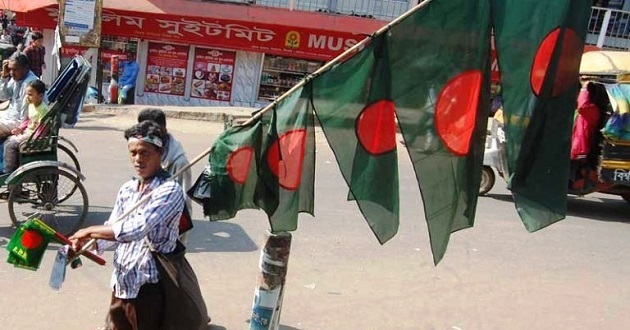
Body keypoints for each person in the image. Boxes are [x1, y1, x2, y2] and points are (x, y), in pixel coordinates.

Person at [69, 120, 185, 330]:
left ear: (160, 153)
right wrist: (88, 244)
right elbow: (113, 229)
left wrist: (88, 230)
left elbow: (135, 230)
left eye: (145, 153)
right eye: (133, 153)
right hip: (122, 283)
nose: (138, 159)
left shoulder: (170, 190)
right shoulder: (128, 189)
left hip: (149, 287)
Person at [138, 108, 193, 240]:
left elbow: (184, 207)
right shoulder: (143, 154)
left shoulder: (179, 163)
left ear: (164, 131)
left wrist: (177, 243)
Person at [2, 79, 48, 174]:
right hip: (28, 132)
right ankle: (13, 167)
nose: (27, 97)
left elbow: (42, 127)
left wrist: (34, 140)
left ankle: (8, 171)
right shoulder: (31, 104)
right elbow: (28, 119)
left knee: (10, 145)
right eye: (27, 94)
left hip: (33, 135)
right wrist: (20, 129)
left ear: (40, 96)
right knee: (7, 141)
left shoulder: (43, 109)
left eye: (30, 95)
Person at [0, 54, 39, 138]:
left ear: (26, 68)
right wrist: (4, 77)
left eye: (15, 70)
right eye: (10, 69)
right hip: (10, 116)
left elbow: (24, 117)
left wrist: (19, 129)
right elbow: (3, 97)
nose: (11, 73)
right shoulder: (16, 79)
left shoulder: (30, 85)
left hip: (20, 122)